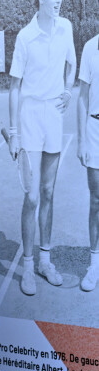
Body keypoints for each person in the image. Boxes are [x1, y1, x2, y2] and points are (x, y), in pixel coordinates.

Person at [8, 0, 75, 296]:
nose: (59, 0)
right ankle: (29, 266)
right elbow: (14, 88)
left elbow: (71, 64)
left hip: (54, 118)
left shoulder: (66, 28)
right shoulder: (25, 36)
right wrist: (14, 132)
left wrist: (68, 89)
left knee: (48, 193)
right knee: (32, 196)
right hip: (30, 118)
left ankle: (45, 262)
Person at [77, 32, 99, 291]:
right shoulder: (91, 47)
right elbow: (82, 97)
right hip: (94, 130)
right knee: (96, 200)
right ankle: (94, 264)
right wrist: (82, 140)